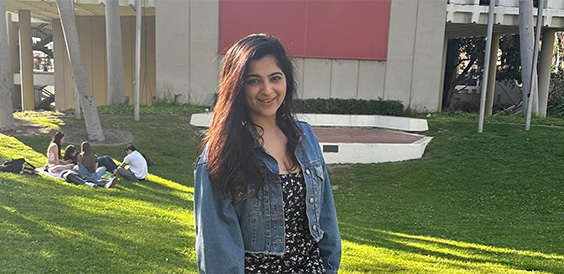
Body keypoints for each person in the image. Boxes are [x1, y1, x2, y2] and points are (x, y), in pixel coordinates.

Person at [194, 34, 341, 273]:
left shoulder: (304, 137)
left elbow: (326, 217)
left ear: (287, 81)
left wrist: (329, 267)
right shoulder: (221, 153)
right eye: (254, 81)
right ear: (238, 87)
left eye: (275, 78)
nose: (267, 90)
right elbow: (216, 246)